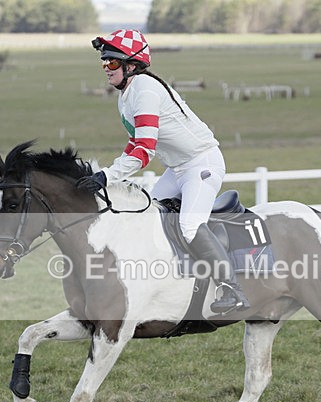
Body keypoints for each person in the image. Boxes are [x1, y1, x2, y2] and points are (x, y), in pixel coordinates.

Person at [77, 29, 250, 315]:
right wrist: (108, 174)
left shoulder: (144, 89)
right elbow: (136, 143)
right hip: (178, 168)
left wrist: (106, 177)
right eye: (103, 64)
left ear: (130, 65)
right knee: (148, 218)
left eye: (110, 63)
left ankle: (232, 289)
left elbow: (145, 150)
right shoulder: (127, 94)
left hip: (201, 164)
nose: (105, 70)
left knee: (190, 225)